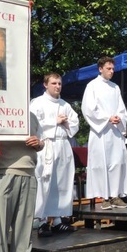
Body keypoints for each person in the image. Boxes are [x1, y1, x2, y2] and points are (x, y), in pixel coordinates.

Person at [0, 111, 44, 252]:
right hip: (4, 170)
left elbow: (42, 142)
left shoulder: (31, 116)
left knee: (24, 222)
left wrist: (38, 143)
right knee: (1, 222)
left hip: (28, 171)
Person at [31, 73, 80, 237]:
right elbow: (33, 124)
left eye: (59, 83)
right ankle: (42, 221)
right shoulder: (37, 103)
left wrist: (66, 123)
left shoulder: (65, 105)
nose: (57, 86)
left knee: (61, 182)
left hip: (63, 145)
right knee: (46, 182)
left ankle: (58, 220)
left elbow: (75, 123)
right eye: (54, 83)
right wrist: (55, 122)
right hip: (46, 145)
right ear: (45, 85)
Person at [81, 57, 127, 210]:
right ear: (100, 69)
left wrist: (119, 118)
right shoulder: (92, 86)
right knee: (101, 164)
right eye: (108, 68)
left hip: (115, 131)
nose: (111, 71)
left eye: (112, 69)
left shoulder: (115, 87)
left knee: (116, 162)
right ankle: (104, 197)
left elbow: (122, 108)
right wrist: (107, 118)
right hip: (101, 131)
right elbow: (88, 109)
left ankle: (115, 195)